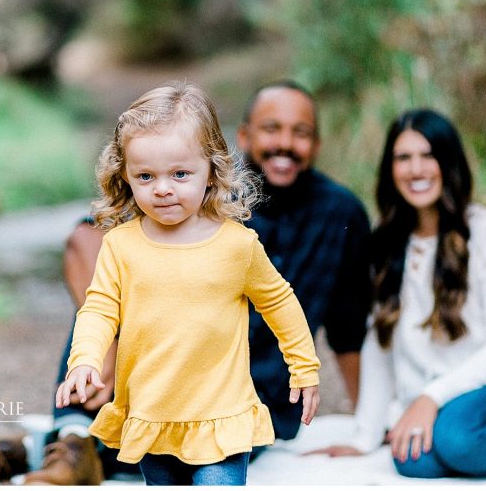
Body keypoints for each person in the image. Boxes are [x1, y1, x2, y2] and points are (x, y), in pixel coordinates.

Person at [0, 80, 371, 485]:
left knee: (194, 451)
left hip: (239, 390)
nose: (284, 143)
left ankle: (45, 449)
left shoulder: (331, 212)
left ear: (315, 143)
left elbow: (346, 327)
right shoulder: (172, 174)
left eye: (301, 132)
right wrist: (99, 352)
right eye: (271, 128)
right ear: (243, 137)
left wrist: (365, 425)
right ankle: (68, 440)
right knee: (106, 305)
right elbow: (84, 243)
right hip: (154, 373)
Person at [58, 80, 321, 485]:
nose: (162, 189)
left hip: (221, 418)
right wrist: (85, 360)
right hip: (153, 416)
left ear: (212, 172)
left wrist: (304, 367)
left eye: (180, 174)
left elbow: (279, 302)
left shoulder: (237, 245)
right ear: (125, 175)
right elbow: (99, 308)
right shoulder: (122, 246)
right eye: (145, 176)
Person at [309, 108, 486, 477]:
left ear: (449, 162)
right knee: (411, 460)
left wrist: (431, 398)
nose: (416, 169)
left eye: (429, 156)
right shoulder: (385, 245)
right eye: (403, 158)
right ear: (390, 170)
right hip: (442, 404)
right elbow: (380, 343)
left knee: (455, 437)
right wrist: (365, 435)